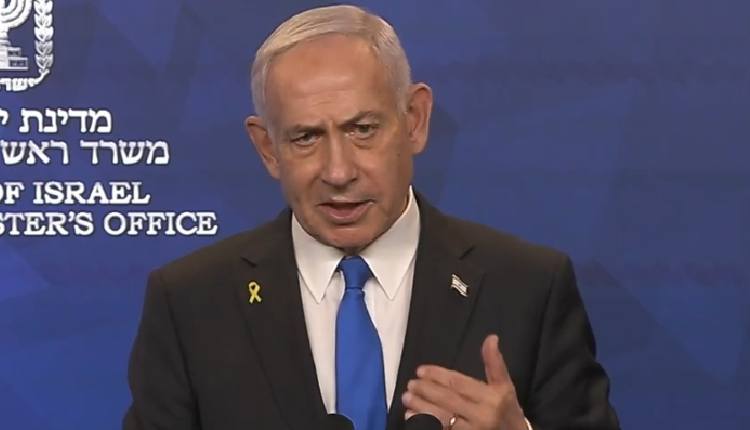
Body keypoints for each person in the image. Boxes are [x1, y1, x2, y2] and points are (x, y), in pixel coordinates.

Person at [123, 5, 619, 430]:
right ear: (267, 148)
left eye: (362, 129)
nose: (338, 171)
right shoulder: (191, 302)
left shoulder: (529, 288)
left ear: (415, 120)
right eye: (306, 138)